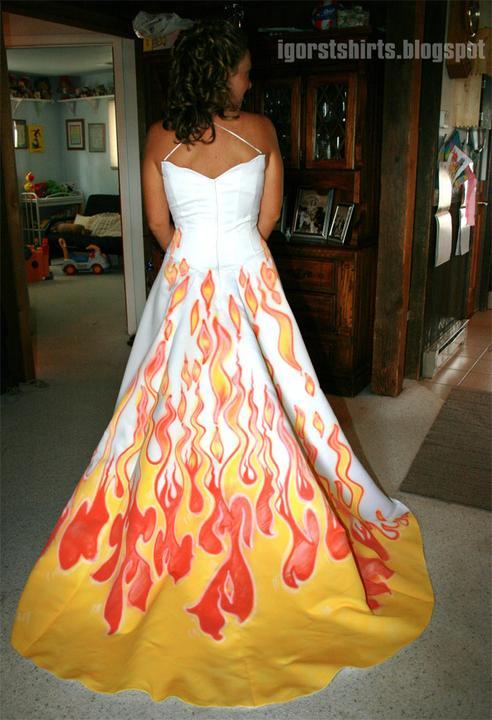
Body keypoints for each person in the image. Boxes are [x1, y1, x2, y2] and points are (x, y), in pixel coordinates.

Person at [10, 18, 434, 709]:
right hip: (245, 274)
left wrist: (193, 256)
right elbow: (269, 216)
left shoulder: (157, 137)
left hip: (185, 279)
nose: (249, 78)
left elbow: (157, 225)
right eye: (242, 69)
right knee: (274, 399)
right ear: (223, 74)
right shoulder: (261, 131)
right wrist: (235, 253)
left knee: (163, 404)